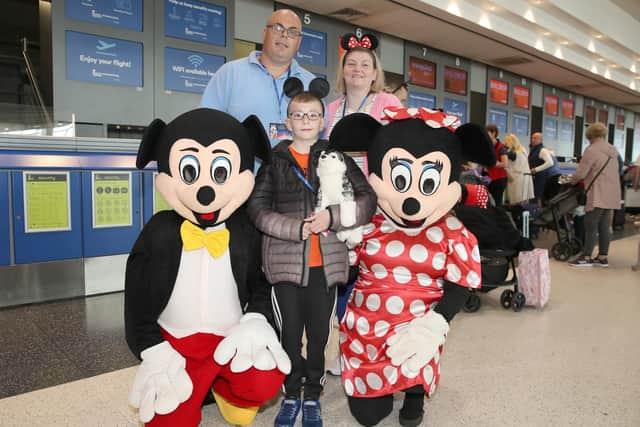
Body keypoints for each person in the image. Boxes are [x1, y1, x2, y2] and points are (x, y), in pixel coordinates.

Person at [247, 78, 376, 427]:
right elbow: (257, 210)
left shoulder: (337, 160)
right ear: (287, 122)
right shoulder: (274, 162)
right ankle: (291, 393)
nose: (305, 120)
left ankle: (313, 395)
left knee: (319, 336)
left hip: (327, 265)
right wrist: (297, 228)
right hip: (284, 265)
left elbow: (367, 201)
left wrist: (331, 217)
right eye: (297, 114)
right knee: (289, 335)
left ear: (323, 121)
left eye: (312, 115)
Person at [200, 9, 315, 146]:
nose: (284, 35)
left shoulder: (311, 83)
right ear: (264, 33)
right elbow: (206, 124)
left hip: (297, 167)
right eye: (278, 28)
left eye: (292, 32)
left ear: (299, 42)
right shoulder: (230, 73)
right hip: (244, 166)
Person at [324, 33, 402, 137]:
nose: (357, 69)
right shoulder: (330, 108)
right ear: (342, 71)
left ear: (375, 74)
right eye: (351, 64)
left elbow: (402, 141)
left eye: (365, 65)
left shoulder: (389, 103)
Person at [569, 122, 621, 268]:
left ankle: (586, 256)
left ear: (589, 135)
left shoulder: (591, 150)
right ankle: (603, 257)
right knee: (604, 225)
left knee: (590, 225)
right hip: (612, 193)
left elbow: (581, 173)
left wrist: (572, 181)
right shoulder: (613, 150)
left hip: (598, 192)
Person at [528, 131, 561, 203]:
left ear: (540, 140)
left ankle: (540, 212)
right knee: (538, 196)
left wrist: (535, 169)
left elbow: (550, 163)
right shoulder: (534, 150)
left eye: (535, 138)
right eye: (532, 138)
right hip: (544, 176)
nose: (533, 139)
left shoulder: (542, 150)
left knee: (539, 196)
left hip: (549, 176)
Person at [503, 133, 534, 205]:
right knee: (525, 202)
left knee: (517, 203)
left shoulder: (511, 153)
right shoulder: (523, 150)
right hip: (527, 177)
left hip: (518, 179)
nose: (505, 143)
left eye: (506, 142)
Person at [485, 124, 510, 206]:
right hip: (489, 178)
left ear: (493, 133)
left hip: (499, 180)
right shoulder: (487, 146)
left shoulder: (501, 147)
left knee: (497, 203)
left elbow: (505, 163)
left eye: (487, 133)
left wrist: (492, 163)